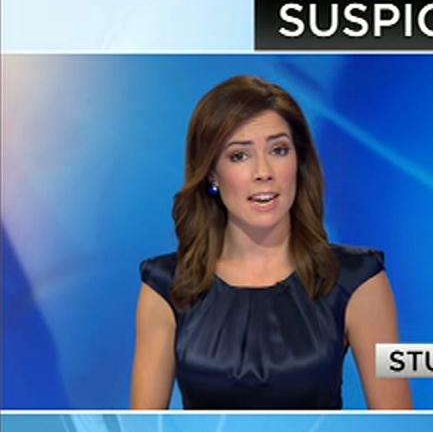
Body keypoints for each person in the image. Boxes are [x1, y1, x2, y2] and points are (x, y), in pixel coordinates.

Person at [131, 76, 413, 410]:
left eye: (279, 150)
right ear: (211, 174)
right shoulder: (167, 287)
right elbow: (144, 425)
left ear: (298, 162)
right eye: (239, 156)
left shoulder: (358, 280)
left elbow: (397, 424)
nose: (263, 172)